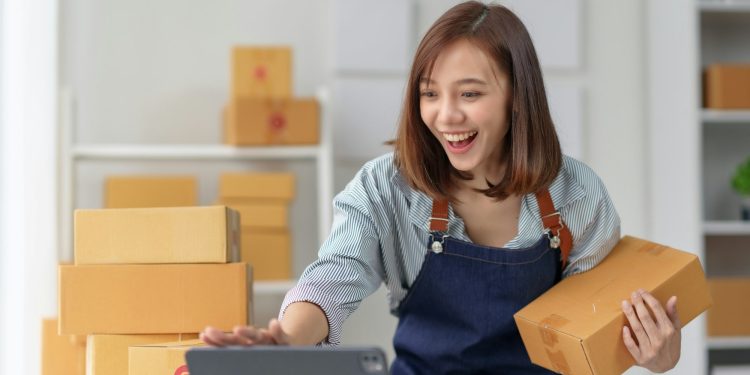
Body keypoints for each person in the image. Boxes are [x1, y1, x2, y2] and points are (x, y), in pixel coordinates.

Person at [201, 1, 682, 373]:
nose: (446, 116)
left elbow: (593, 337)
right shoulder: (386, 187)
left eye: (469, 93)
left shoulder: (577, 196)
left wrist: (654, 355)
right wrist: (286, 340)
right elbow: (332, 278)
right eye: (430, 93)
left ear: (517, 97)